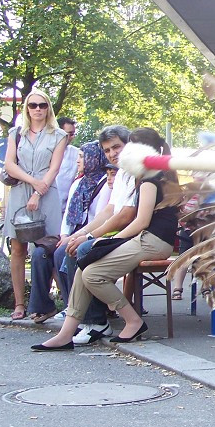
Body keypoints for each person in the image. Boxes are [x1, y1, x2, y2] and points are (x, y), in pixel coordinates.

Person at [32, 128, 178, 351]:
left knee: (92, 273)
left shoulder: (151, 178)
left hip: (154, 241)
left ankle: (132, 321)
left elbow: (141, 221)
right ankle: (66, 333)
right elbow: (119, 214)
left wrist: (106, 241)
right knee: (85, 266)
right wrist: (92, 237)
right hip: (147, 239)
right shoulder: (148, 175)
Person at [62, 126, 137, 343]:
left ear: (129, 145)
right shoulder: (121, 173)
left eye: (116, 147)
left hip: (132, 234)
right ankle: (82, 320)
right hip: (119, 232)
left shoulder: (134, 172)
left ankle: (97, 322)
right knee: (70, 248)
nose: (112, 153)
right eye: (107, 150)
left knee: (83, 250)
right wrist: (81, 233)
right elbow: (109, 210)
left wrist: (89, 237)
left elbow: (126, 215)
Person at [25, 141, 110, 323]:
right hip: (72, 232)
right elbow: (68, 217)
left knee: (62, 253)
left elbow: (99, 219)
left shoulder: (105, 183)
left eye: (82, 157)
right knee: (40, 254)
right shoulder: (78, 183)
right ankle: (42, 307)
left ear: (93, 158)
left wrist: (72, 238)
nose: (78, 161)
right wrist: (64, 235)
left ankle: (72, 307)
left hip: (91, 233)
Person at [2, 90, 68, 321]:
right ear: (26, 109)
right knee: (18, 247)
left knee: (49, 248)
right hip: (21, 190)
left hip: (47, 192)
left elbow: (54, 167)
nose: (37, 109)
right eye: (33, 105)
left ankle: (61, 301)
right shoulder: (16, 134)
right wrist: (32, 183)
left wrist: (39, 191)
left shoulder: (58, 135)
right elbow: (10, 164)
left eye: (42, 105)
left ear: (48, 108)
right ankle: (20, 303)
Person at [56, 117, 80, 210]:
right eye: (69, 134)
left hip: (64, 208)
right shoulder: (45, 152)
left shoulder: (76, 153)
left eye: (73, 134)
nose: (72, 137)